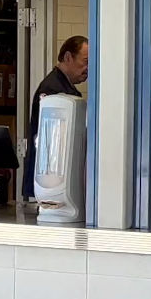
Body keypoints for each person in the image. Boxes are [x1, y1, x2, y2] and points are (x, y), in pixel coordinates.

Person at [25, 35, 89, 196]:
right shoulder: (52, 91)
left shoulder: (66, 89)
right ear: (68, 57)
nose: (88, 68)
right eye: (86, 61)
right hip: (48, 181)